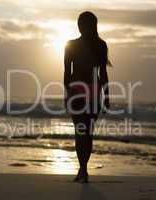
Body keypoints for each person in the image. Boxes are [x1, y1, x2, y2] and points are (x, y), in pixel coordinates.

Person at [64, 11, 110, 183]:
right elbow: (103, 74)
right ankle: (83, 169)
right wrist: (106, 96)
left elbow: (67, 72)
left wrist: (67, 92)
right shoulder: (101, 45)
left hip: (79, 89)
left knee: (81, 132)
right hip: (91, 90)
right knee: (87, 132)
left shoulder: (74, 45)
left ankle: (82, 169)